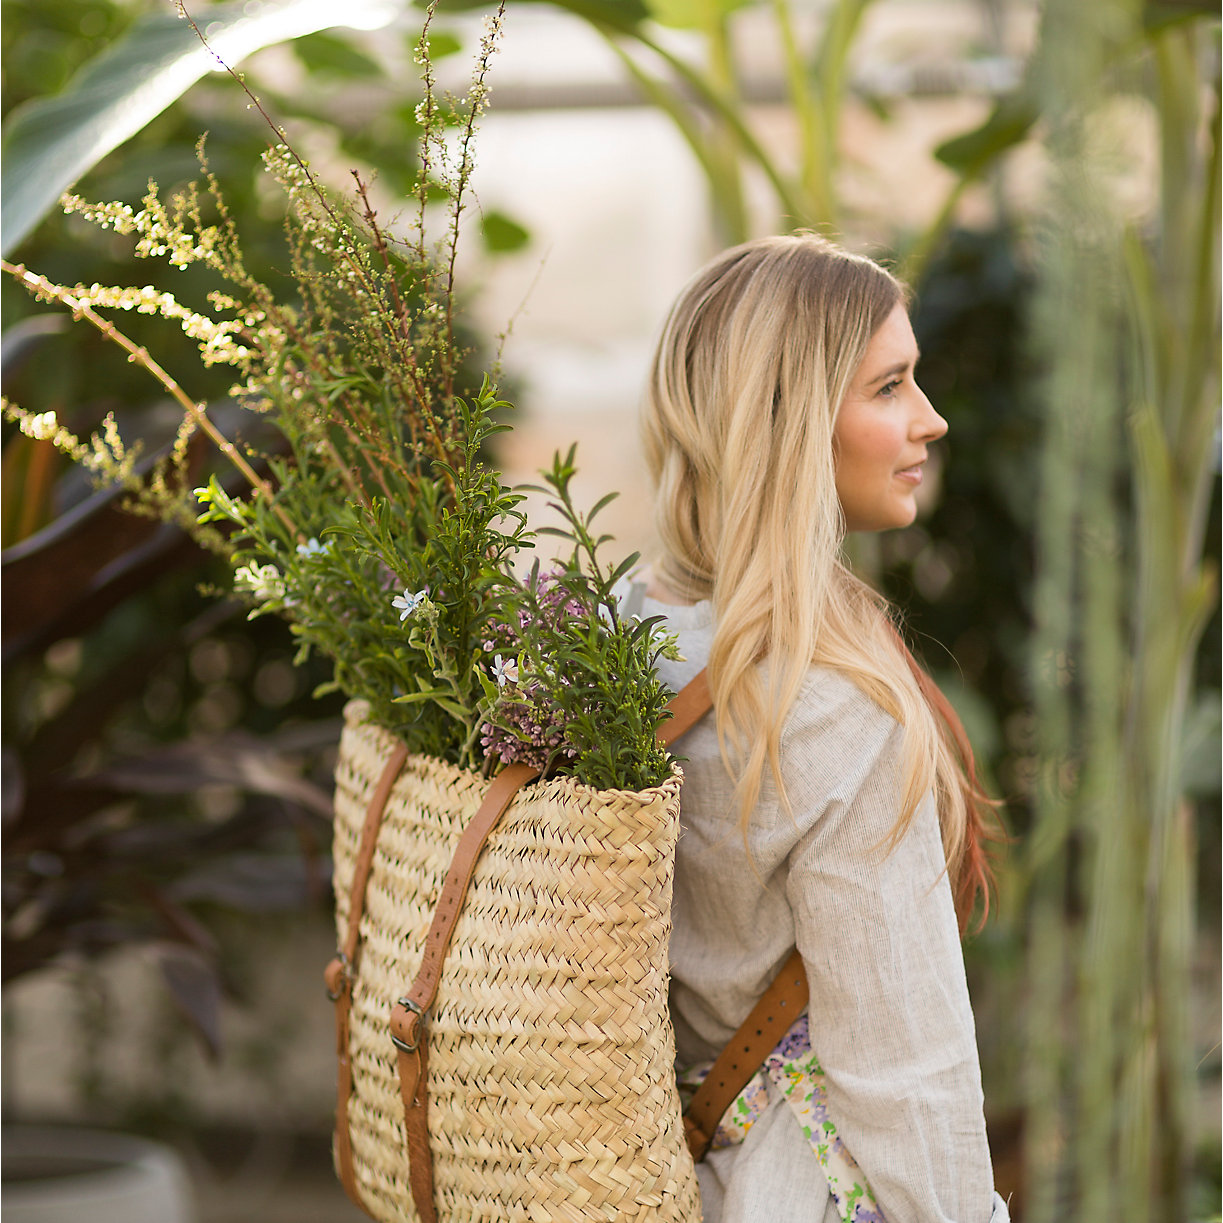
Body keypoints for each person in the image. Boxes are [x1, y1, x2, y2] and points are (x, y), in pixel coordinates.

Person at [620, 233, 1010, 1222]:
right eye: (888, 387)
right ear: (787, 419)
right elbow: (903, 1065)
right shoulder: (834, 706)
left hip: (650, 1176)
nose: (930, 419)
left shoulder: (619, 628)